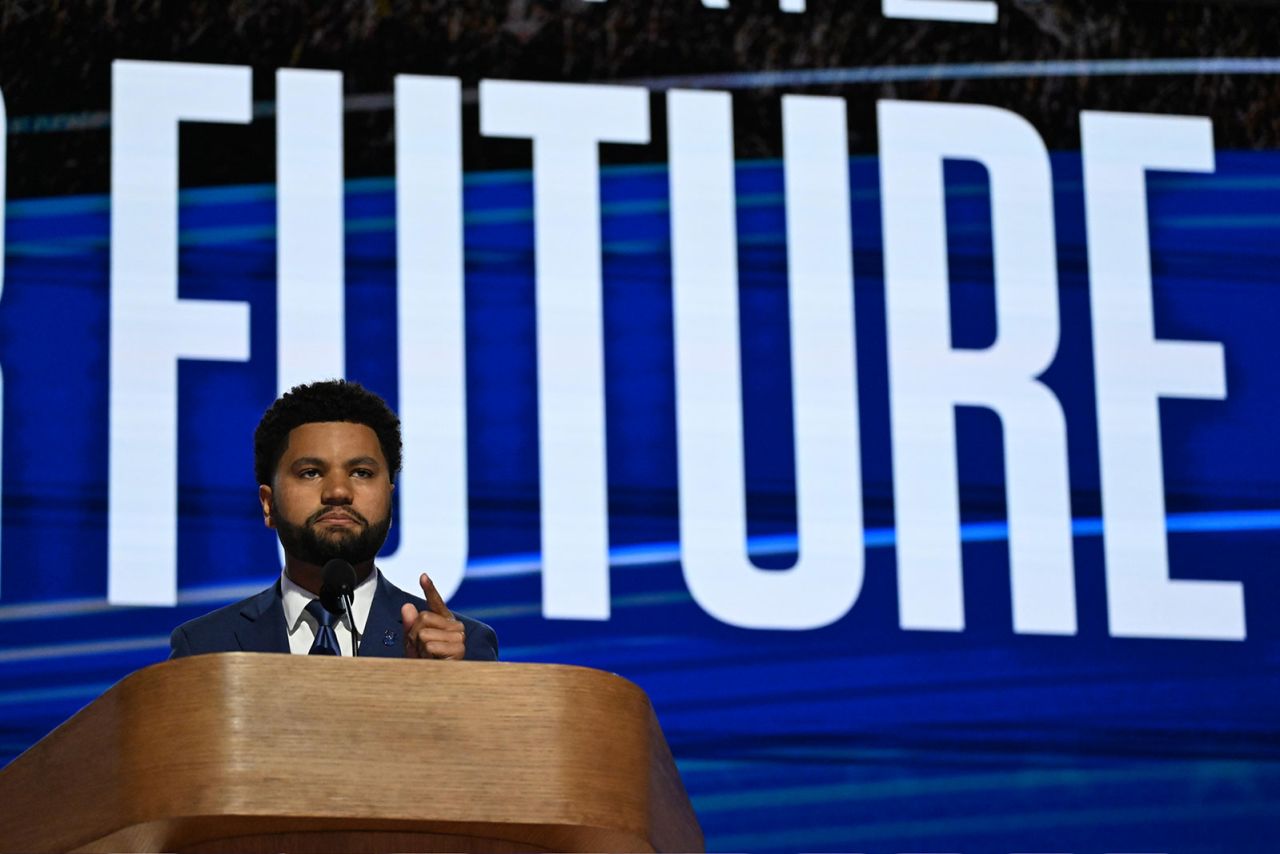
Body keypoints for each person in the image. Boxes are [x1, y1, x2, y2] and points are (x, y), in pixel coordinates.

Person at [169, 379, 498, 660]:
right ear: (268, 504)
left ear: (389, 497)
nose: (339, 491)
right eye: (310, 472)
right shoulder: (204, 647)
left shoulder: (462, 648)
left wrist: (454, 685)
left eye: (361, 472)